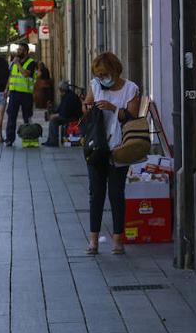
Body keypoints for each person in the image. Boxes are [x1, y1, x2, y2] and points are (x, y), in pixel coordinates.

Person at [82, 51, 141, 255]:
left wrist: (113, 107)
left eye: (104, 74)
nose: (101, 78)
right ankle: (93, 240)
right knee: (96, 194)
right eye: (98, 75)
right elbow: (87, 105)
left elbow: (133, 115)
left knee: (116, 194)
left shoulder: (130, 88)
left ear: (115, 71)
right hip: (97, 148)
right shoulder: (95, 85)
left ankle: (118, 239)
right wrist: (88, 108)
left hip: (118, 148)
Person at [4, 44, 38, 147]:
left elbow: (26, 74)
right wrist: (7, 89)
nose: (18, 51)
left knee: (27, 117)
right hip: (14, 93)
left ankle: (29, 137)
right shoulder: (14, 63)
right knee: (11, 116)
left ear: (26, 52)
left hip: (26, 94)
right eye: (18, 49)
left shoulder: (31, 63)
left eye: (21, 50)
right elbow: (11, 77)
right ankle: (9, 139)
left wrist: (18, 64)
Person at [44, 82, 84, 147]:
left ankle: (54, 141)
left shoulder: (70, 97)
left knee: (54, 121)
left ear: (61, 90)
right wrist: (53, 111)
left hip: (73, 117)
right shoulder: (66, 96)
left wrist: (55, 115)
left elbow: (65, 113)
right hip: (69, 115)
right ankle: (50, 140)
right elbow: (60, 108)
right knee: (53, 119)